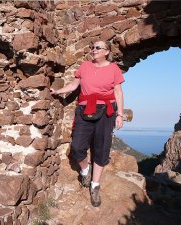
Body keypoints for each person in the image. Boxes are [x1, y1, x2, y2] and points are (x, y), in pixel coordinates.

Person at [50, 40, 124, 207]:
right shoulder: (84, 66)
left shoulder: (114, 69)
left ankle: (95, 185)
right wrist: (58, 91)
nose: (93, 50)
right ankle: (85, 170)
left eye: (98, 48)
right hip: (85, 110)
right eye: (92, 47)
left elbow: (118, 92)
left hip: (106, 111)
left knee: (102, 147)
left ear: (106, 52)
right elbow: (75, 85)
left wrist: (120, 114)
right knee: (77, 147)